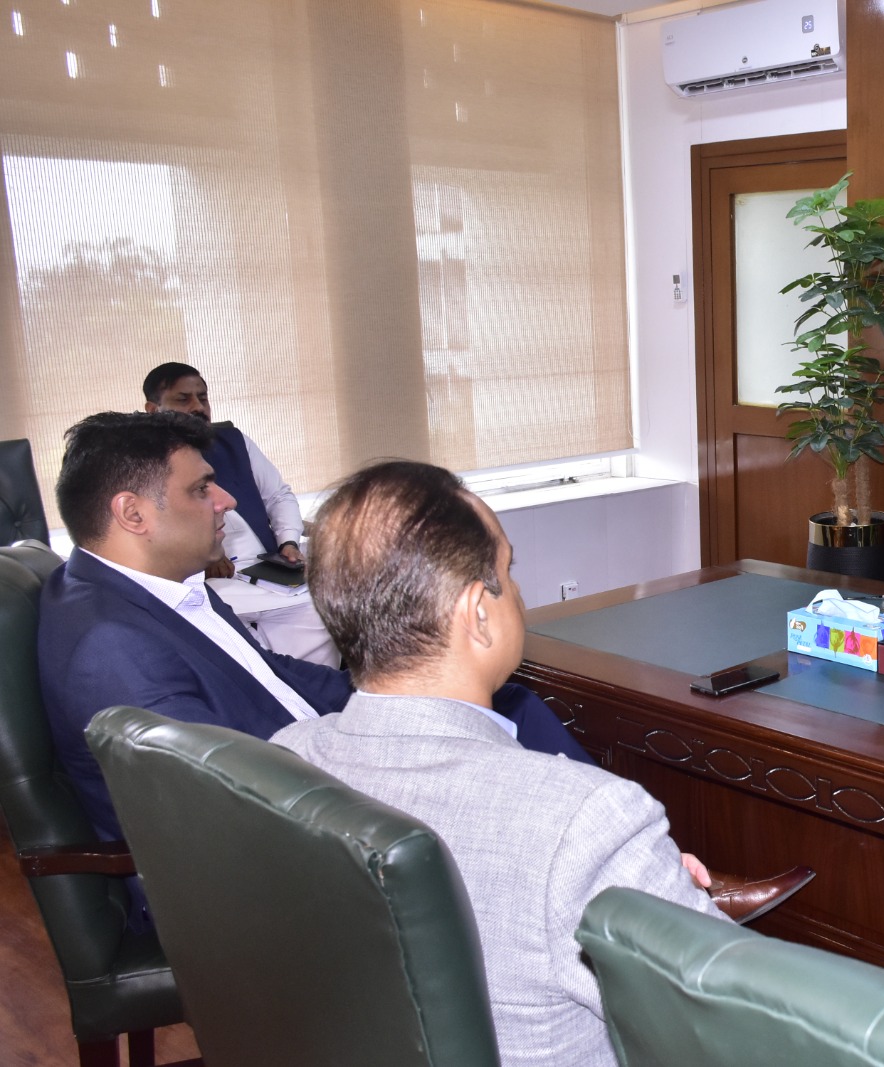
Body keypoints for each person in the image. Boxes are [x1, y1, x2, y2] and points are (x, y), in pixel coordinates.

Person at [37, 411, 802, 929]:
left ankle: (657, 870)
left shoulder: (157, 595)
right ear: (133, 513)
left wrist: (397, 686)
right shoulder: (110, 641)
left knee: (511, 701)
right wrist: (390, 735)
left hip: (305, 773)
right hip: (261, 858)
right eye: (200, 486)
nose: (227, 498)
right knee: (508, 769)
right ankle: (652, 884)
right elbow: (221, 797)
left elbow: (279, 680)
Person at [268, 462, 761, 1063]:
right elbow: (734, 1027)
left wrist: (643, 878)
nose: (520, 594)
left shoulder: (288, 757)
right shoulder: (582, 821)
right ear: (478, 612)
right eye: (509, 570)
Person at [142, 362, 339, 667]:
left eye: (203, 398)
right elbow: (148, 532)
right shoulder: (141, 461)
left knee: (324, 604)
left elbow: (278, 495)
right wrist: (201, 557)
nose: (198, 407)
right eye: (183, 399)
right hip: (207, 580)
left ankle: (302, 687)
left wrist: (287, 541)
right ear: (153, 410)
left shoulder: (233, 442)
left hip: (268, 568)